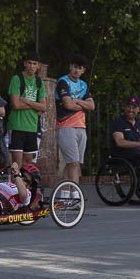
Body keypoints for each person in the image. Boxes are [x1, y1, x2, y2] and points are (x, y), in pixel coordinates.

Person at [55, 56, 94, 191]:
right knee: (73, 163)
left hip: (81, 127)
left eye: (80, 68)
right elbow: (67, 104)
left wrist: (76, 101)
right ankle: (76, 195)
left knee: (71, 163)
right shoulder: (63, 82)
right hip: (66, 126)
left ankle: (65, 194)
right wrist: (82, 104)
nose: (77, 70)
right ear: (70, 67)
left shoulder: (83, 85)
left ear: (83, 70)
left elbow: (92, 106)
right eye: (75, 67)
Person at [109, 96, 140, 202]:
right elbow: (119, 142)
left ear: (138, 109)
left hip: (136, 155)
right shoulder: (119, 122)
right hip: (121, 156)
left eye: (134, 107)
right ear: (124, 108)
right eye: (128, 107)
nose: (131, 110)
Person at [8, 54, 47, 166]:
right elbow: (16, 104)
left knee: (28, 163)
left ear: (38, 66)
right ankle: (14, 183)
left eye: (35, 64)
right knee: (17, 163)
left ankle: (24, 184)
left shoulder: (39, 81)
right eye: (29, 63)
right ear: (25, 64)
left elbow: (44, 107)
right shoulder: (17, 79)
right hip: (16, 126)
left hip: (31, 127)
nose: (32, 66)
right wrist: (36, 105)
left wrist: (27, 101)